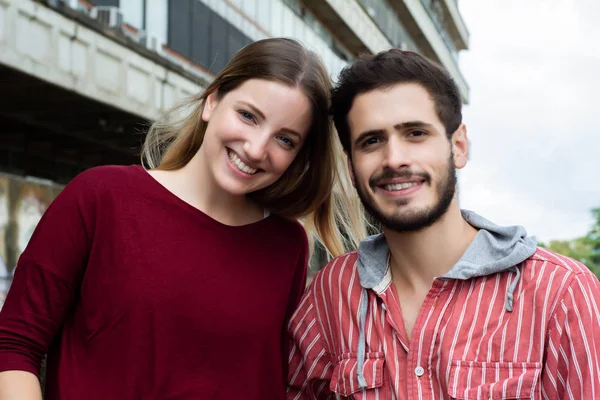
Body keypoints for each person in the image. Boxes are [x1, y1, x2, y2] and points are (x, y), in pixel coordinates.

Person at [0, 38, 364, 400]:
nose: (256, 149)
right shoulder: (100, 197)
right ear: (212, 101)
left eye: (285, 140)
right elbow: (14, 346)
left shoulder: (287, 246)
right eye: (248, 116)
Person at [287, 49, 600, 399]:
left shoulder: (562, 292)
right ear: (351, 166)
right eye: (372, 141)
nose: (395, 159)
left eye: (416, 133)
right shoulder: (331, 293)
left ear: (459, 146)